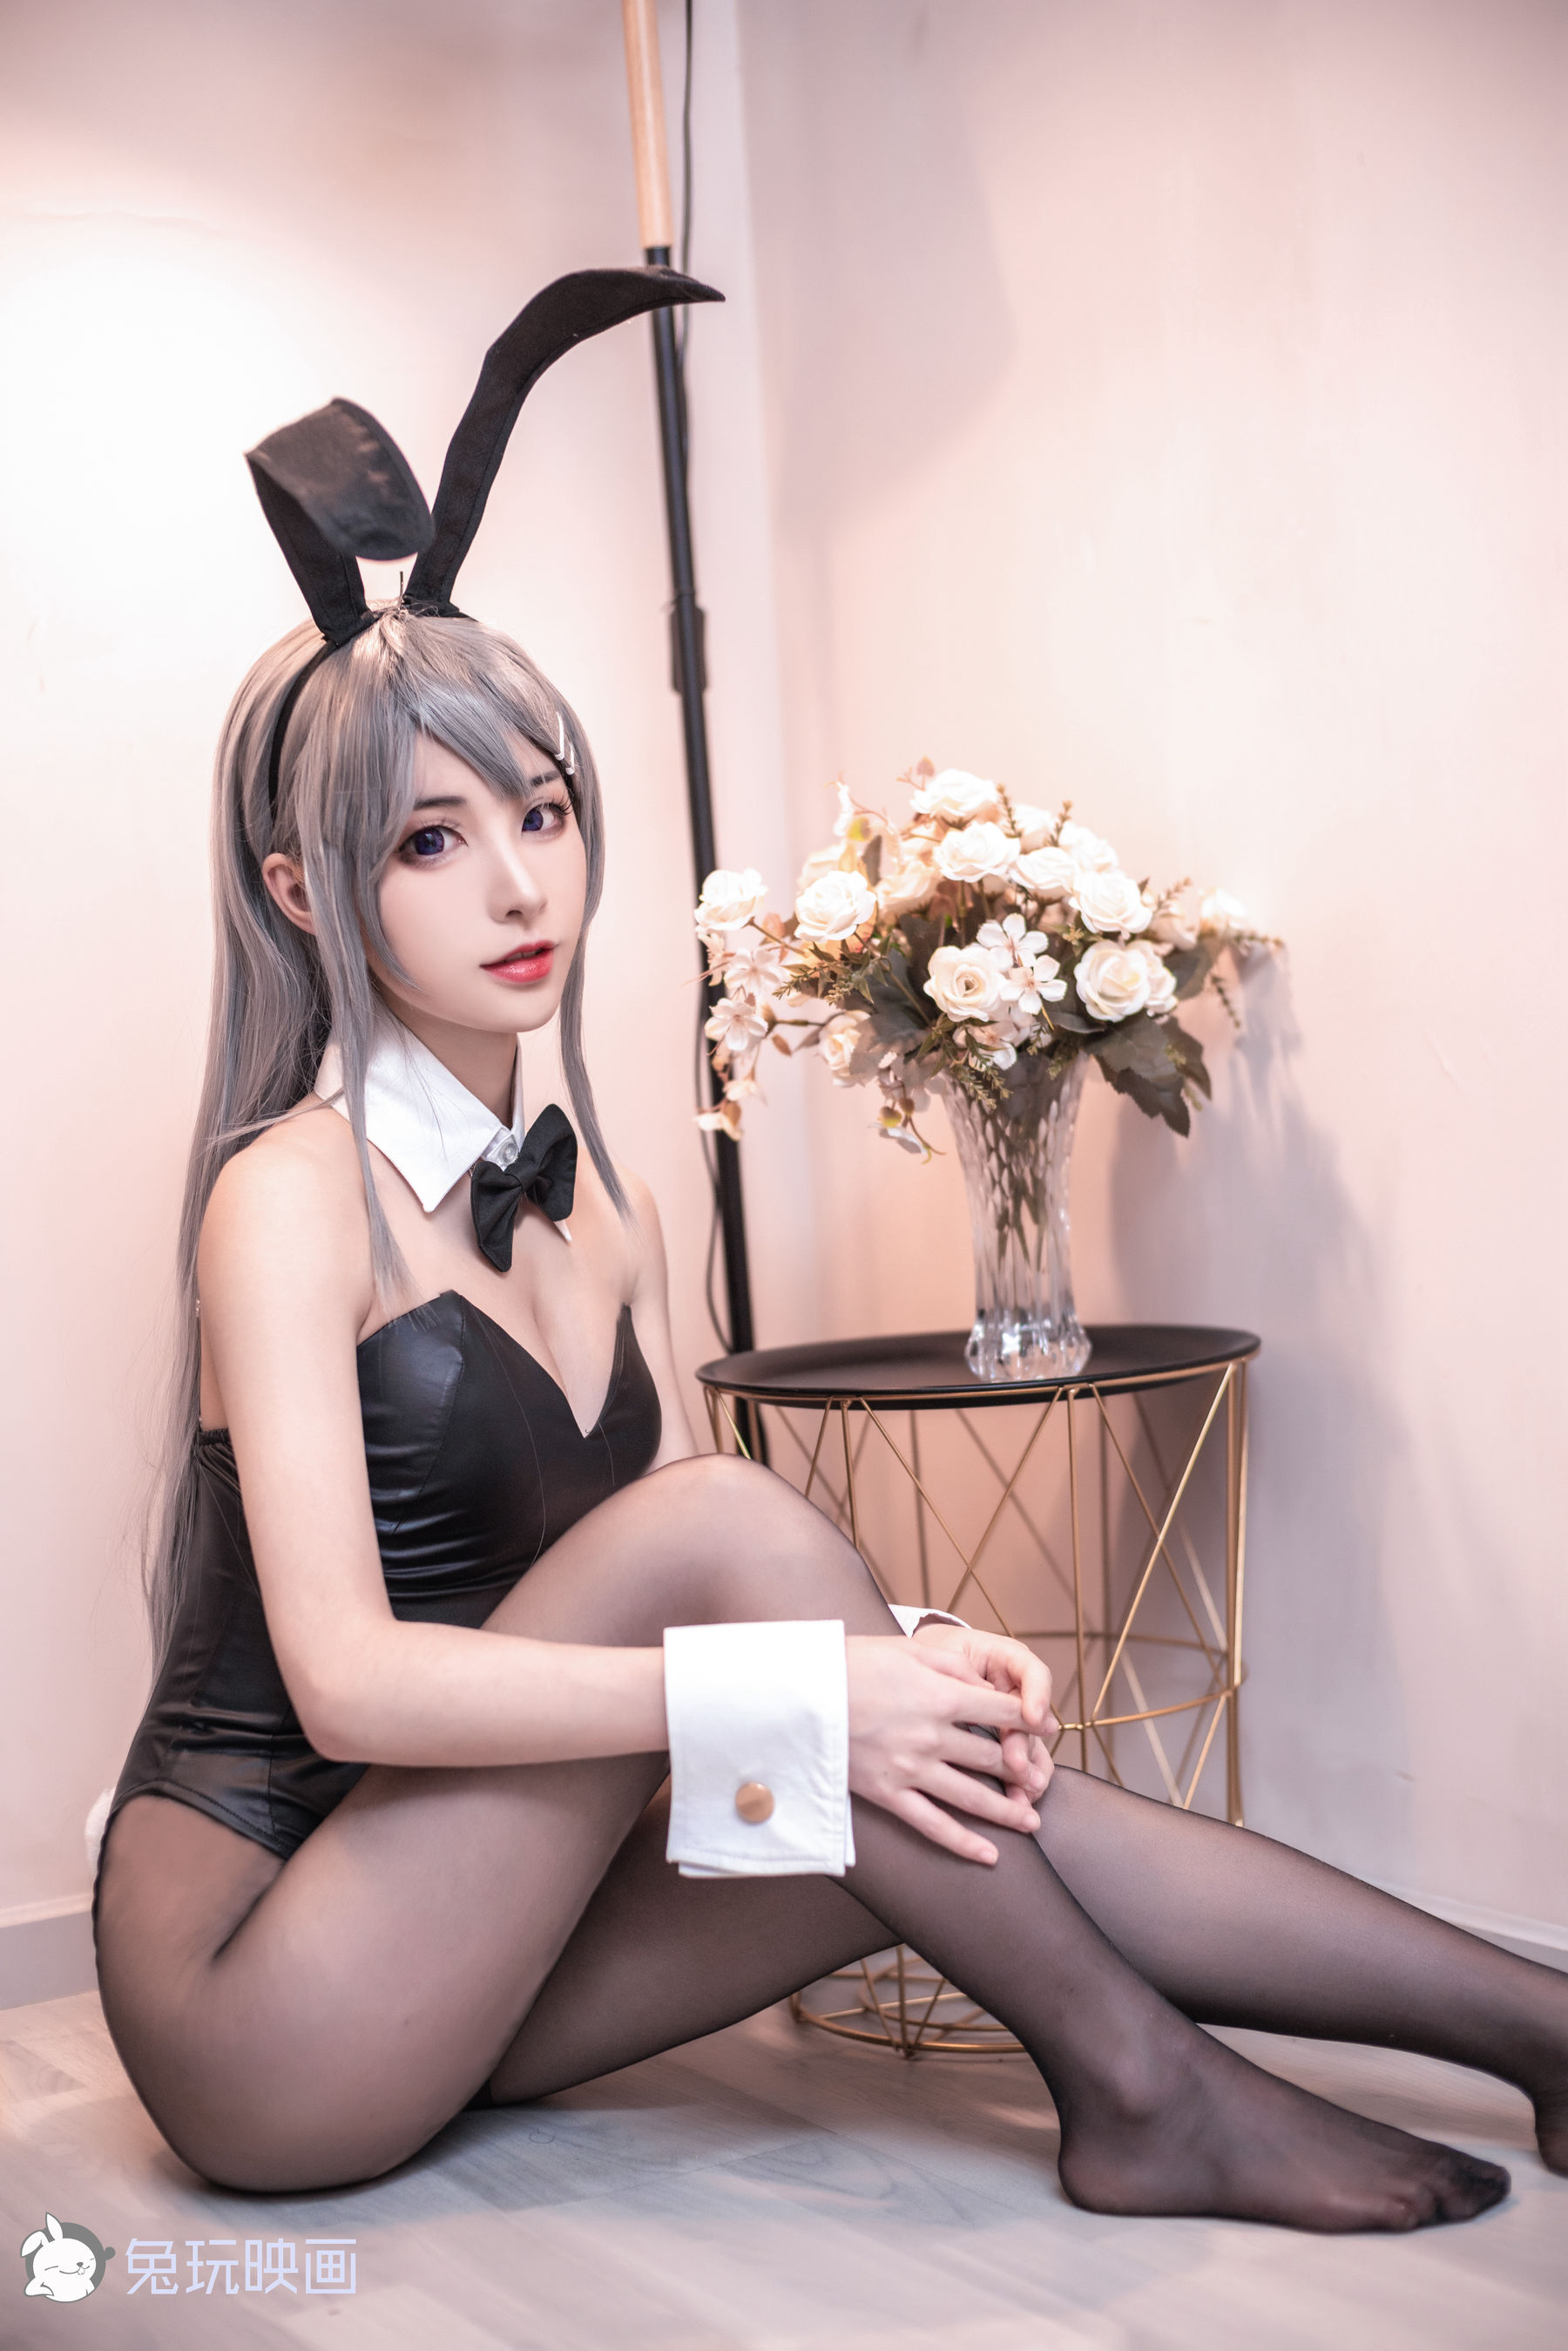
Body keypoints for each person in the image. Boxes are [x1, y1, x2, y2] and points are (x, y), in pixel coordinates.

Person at [94, 274, 1566, 2228]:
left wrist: (897, 1667)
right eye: (429, 840)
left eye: (543, 810)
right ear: (302, 889)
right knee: (746, 1569)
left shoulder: (598, 1199)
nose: (523, 883)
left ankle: (1543, 2023)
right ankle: (1146, 2087)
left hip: (483, 1932)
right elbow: (355, 1687)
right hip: (270, 1996)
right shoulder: (286, 1193)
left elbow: (662, 1628)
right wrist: (808, 1686)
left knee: (915, 1768)